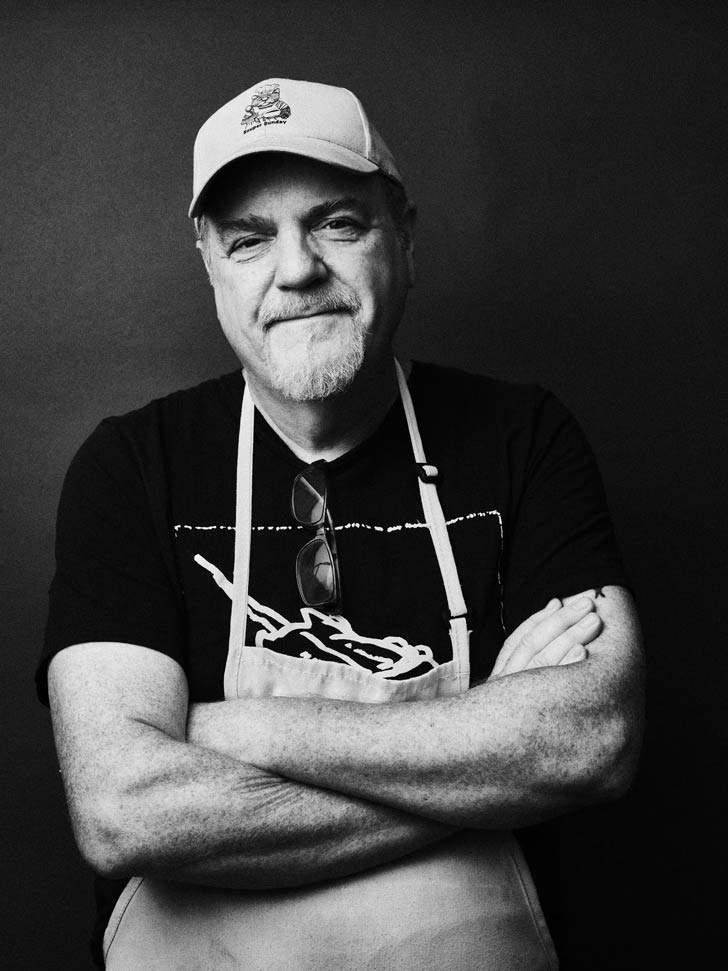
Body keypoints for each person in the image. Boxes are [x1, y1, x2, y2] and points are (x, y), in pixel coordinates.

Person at [38, 78, 644, 970]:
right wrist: (483, 752)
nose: (296, 269)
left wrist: (233, 730)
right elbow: (122, 805)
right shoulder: (132, 467)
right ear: (210, 265)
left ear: (404, 236)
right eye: (250, 240)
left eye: (337, 224)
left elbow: (590, 738)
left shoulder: (525, 439)